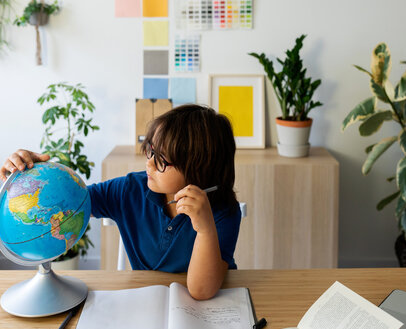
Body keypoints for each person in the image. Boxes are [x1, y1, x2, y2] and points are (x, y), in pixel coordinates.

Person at [0, 104, 241, 300]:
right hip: (146, 301)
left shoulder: (222, 212)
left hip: (207, 311)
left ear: (199, 170)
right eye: (150, 150)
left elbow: (201, 291)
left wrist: (205, 229)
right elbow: (71, 202)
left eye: (161, 160)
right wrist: (25, 178)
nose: (148, 163)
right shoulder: (130, 189)